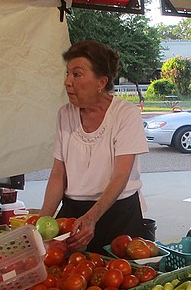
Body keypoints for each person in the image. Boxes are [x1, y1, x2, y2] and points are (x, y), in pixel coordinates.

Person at [39, 40, 150, 253]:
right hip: (73, 214)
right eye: (67, 73)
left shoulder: (125, 114)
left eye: (77, 74)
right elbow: (58, 175)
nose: (67, 82)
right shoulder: (65, 114)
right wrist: (42, 222)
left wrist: (92, 218)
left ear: (101, 82)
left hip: (119, 214)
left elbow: (121, 175)